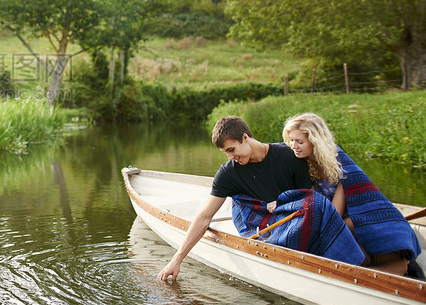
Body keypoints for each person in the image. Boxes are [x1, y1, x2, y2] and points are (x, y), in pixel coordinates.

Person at [157, 116, 314, 281]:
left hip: (296, 225)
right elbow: (204, 217)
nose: (230, 157)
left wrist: (284, 203)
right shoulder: (228, 174)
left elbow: (308, 199)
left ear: (245, 138)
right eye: (225, 152)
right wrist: (177, 259)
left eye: (231, 150)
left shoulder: (290, 157)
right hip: (263, 230)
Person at [281, 113, 423, 278]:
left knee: (341, 228)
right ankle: (363, 268)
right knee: (328, 230)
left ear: (315, 141)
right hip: (330, 214)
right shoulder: (301, 162)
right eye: (291, 140)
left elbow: (338, 206)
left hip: (357, 210)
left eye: (300, 142)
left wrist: (328, 222)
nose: (294, 146)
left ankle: (395, 267)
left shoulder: (336, 159)